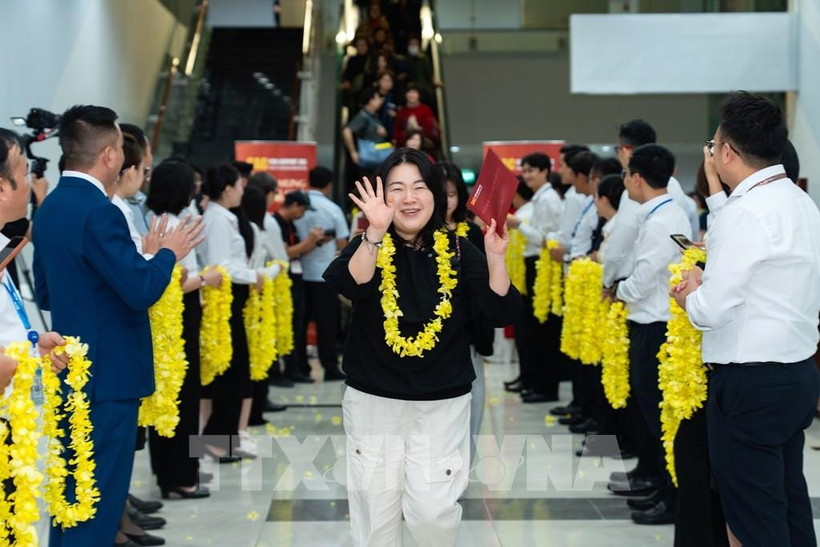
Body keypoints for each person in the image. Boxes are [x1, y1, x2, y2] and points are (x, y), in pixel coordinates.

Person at [324, 148, 521, 546]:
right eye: (397, 189)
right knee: (375, 518)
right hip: (374, 402)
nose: (409, 198)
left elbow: (498, 310)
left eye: (419, 187)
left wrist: (497, 257)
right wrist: (374, 233)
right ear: (382, 197)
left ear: (434, 194)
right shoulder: (369, 244)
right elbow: (352, 282)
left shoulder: (460, 250)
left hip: (442, 406)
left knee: (434, 513)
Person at [32, 105, 203, 546]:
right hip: (108, 375)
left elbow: (48, 293)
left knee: (73, 496)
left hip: (70, 368)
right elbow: (141, 289)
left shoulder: (50, 207)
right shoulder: (100, 211)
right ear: (109, 155)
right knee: (100, 500)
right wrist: (167, 254)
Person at [673, 92, 820, 547]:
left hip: (749, 384)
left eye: (714, 145)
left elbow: (711, 311)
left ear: (728, 153)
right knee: (788, 503)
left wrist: (690, 296)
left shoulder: (745, 212)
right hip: (796, 375)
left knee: (753, 519)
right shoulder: (800, 202)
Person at [607, 144, 690, 527]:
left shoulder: (660, 220)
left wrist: (617, 290)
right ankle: (656, 481)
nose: (625, 182)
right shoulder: (666, 212)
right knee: (651, 411)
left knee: (657, 413)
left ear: (637, 178)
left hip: (654, 325)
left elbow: (641, 280)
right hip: (655, 322)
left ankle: (667, 493)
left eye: (626, 175)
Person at [145, 160, 220, 502]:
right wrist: (205, 278)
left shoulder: (151, 218)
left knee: (166, 395)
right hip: (180, 314)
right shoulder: (176, 225)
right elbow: (178, 280)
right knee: (184, 397)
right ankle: (182, 477)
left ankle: (167, 472)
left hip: (162, 319)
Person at [198, 164, 262, 462]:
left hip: (230, 297)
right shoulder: (218, 219)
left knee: (237, 373)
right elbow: (220, 266)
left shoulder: (222, 216)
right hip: (223, 300)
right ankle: (215, 442)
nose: (241, 192)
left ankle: (226, 439)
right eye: (239, 186)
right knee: (230, 374)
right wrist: (253, 276)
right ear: (227, 189)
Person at [504, 153, 564, 404]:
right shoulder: (540, 199)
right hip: (534, 264)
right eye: (525, 170)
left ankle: (546, 387)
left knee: (544, 330)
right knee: (535, 330)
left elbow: (545, 240)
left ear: (544, 171)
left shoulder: (548, 200)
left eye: (531, 170)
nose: (527, 175)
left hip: (543, 265)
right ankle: (538, 383)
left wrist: (518, 225)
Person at [440, 161, 488, 446]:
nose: (446, 201)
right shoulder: (415, 232)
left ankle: (467, 453)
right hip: (430, 330)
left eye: (451, 194)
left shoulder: (471, 232)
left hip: (467, 329)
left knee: (473, 393)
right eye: (440, 193)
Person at [294, 167, 351, 381]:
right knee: (327, 323)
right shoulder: (333, 209)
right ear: (328, 185)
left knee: (300, 323)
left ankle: (301, 367)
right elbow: (343, 244)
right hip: (325, 275)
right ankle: (330, 367)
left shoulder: (298, 205)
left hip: (300, 273)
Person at [275, 191, 324, 382]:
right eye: (302, 209)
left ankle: (294, 368)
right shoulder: (276, 223)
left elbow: (297, 252)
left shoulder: (290, 224)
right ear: (294, 205)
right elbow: (285, 253)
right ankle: (284, 369)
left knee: (297, 324)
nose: (303, 214)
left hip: (295, 279)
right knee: (287, 325)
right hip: (282, 282)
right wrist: (310, 240)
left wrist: (315, 243)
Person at [343, 88, 391, 169]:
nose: (380, 101)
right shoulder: (362, 116)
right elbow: (346, 131)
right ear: (371, 101)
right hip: (369, 156)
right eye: (377, 98)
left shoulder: (374, 115)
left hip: (377, 155)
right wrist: (353, 152)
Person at [393, 83, 439, 151]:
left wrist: (419, 131)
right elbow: (396, 132)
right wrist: (407, 132)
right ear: (405, 95)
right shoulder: (401, 111)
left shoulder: (426, 110)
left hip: (423, 147)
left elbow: (432, 131)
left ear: (419, 95)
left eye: (414, 92)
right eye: (409, 92)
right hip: (405, 147)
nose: (412, 95)